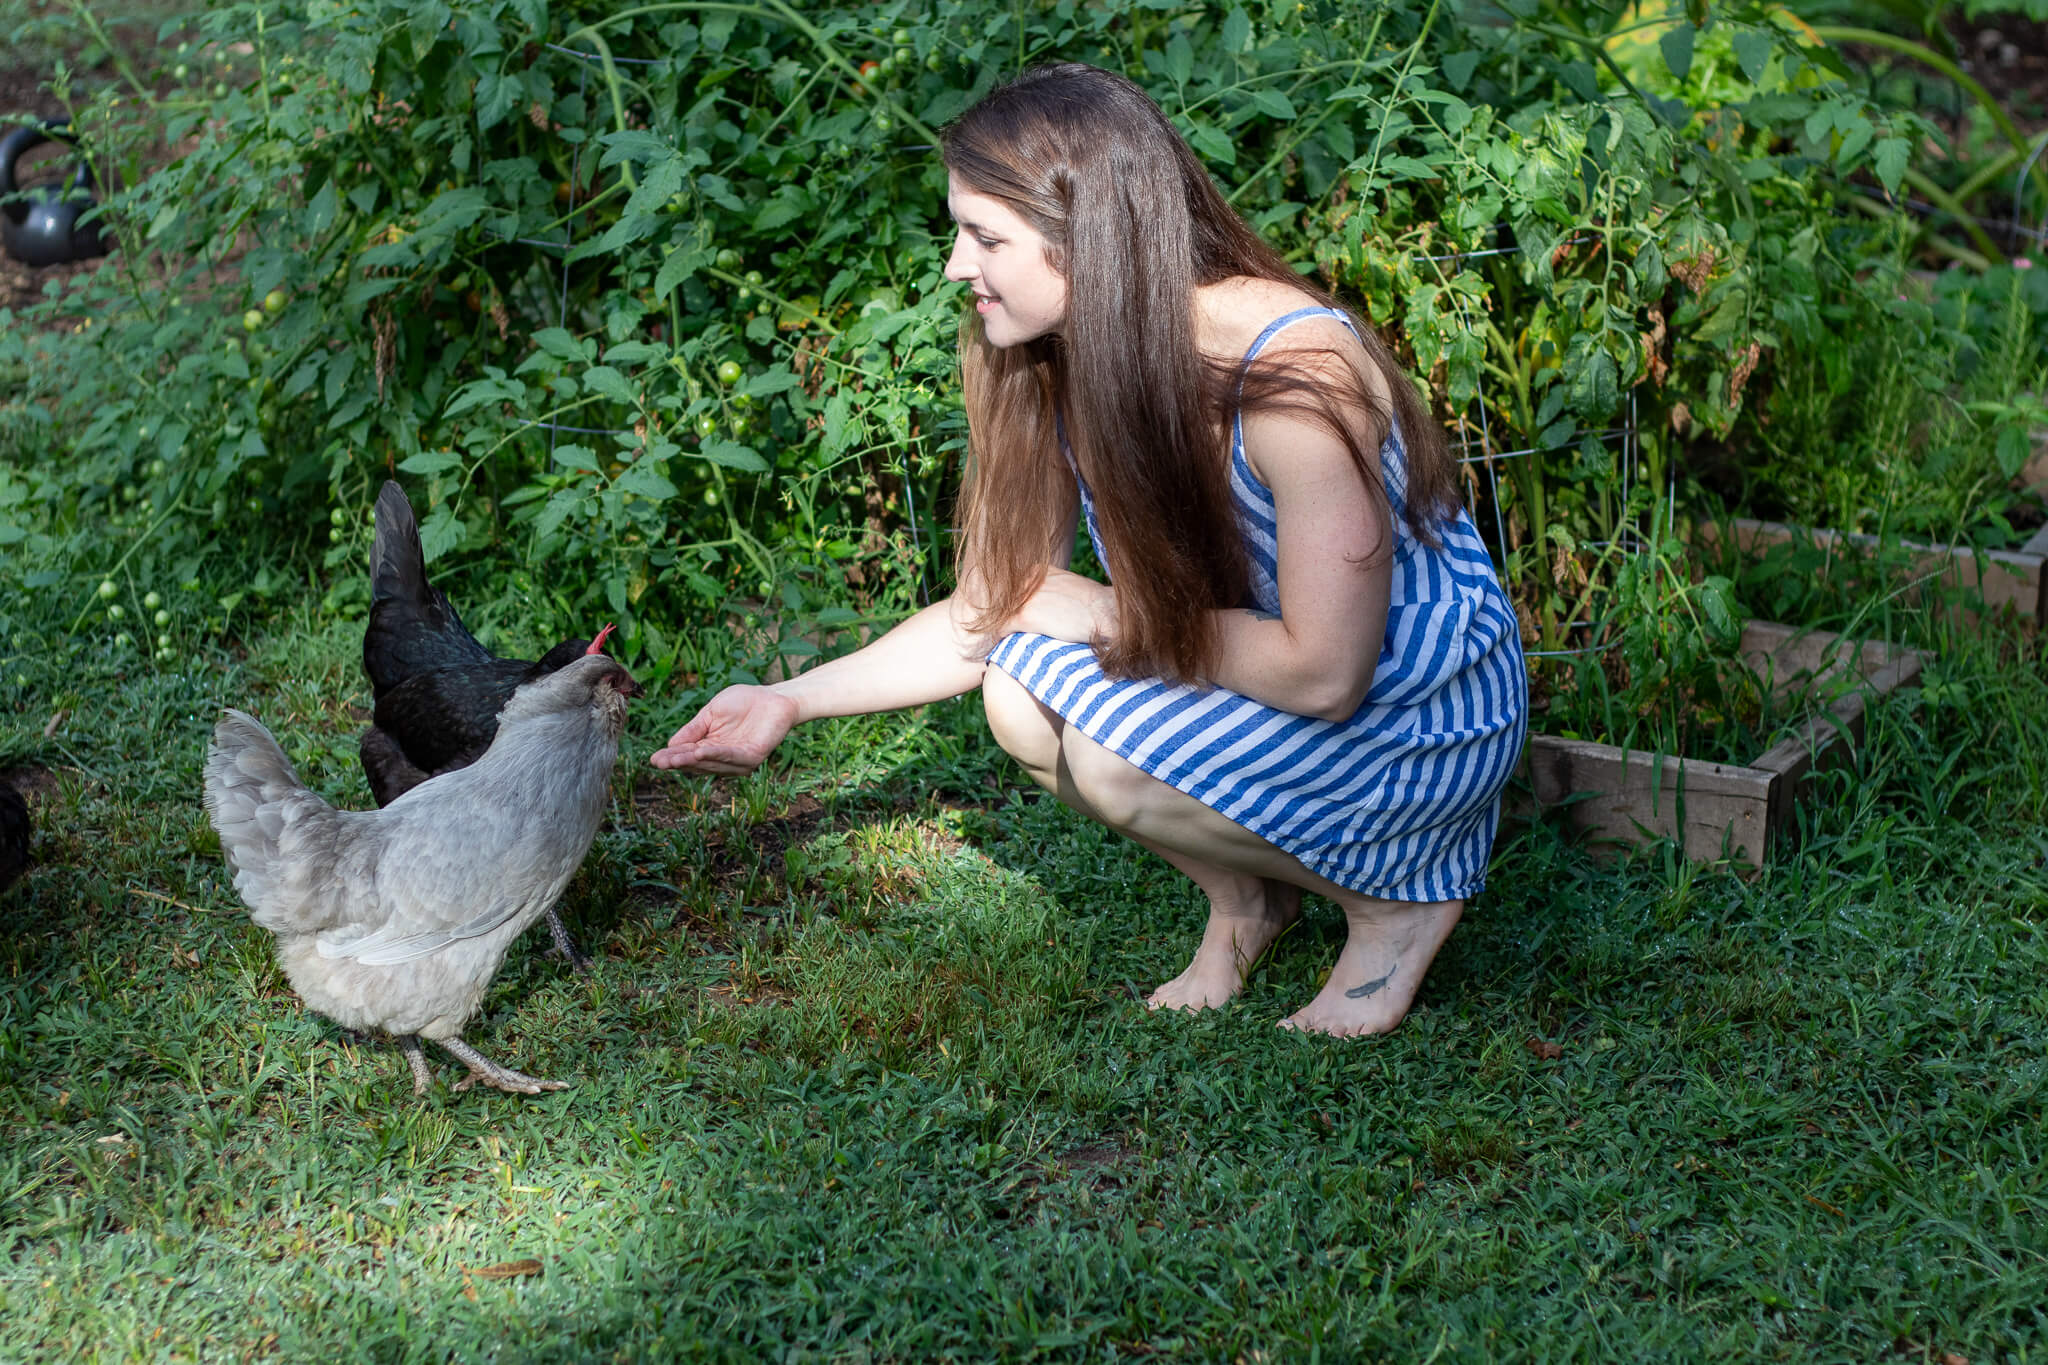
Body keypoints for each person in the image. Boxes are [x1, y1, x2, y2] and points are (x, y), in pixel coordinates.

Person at [652, 62, 1527, 1036]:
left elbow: (1326, 674)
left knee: (1107, 756)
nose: (954, 266)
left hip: (1415, 698)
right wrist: (787, 699)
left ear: (1087, 239)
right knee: (1017, 693)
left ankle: (1397, 905)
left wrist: (1105, 612)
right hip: (1255, 661)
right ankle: (1250, 900)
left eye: (984, 236)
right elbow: (995, 611)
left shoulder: (1291, 376)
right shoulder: (1055, 352)